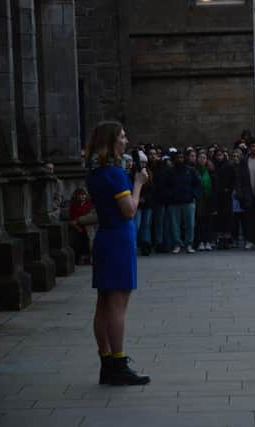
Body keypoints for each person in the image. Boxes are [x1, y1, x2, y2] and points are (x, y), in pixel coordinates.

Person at [85, 121, 150, 385]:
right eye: (122, 137)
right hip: (119, 240)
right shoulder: (114, 174)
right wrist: (138, 183)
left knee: (103, 303)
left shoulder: (96, 172)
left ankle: (106, 361)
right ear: (111, 141)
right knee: (118, 306)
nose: (126, 141)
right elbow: (129, 210)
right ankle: (119, 363)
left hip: (104, 238)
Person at [164, 150, 201, 254]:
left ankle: (189, 244)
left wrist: (193, 195)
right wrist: (170, 195)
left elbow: (197, 184)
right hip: (174, 202)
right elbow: (165, 186)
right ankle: (177, 244)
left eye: (182, 157)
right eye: (178, 157)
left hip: (188, 201)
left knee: (190, 224)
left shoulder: (191, 171)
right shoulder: (170, 171)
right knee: (175, 225)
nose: (180, 159)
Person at [194, 150, 215, 251]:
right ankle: (200, 241)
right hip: (199, 199)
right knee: (200, 221)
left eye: (204, 158)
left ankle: (208, 241)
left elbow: (214, 184)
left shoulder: (210, 170)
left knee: (208, 221)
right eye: (200, 157)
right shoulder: (194, 170)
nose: (202, 159)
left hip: (208, 199)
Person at [69, 187, 94, 265]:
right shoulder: (74, 205)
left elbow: (91, 215)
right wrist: (77, 227)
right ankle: (79, 258)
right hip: (77, 227)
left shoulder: (89, 204)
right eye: (81, 195)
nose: (83, 196)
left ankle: (87, 258)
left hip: (88, 226)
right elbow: (72, 217)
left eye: (84, 195)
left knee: (88, 241)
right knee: (78, 241)